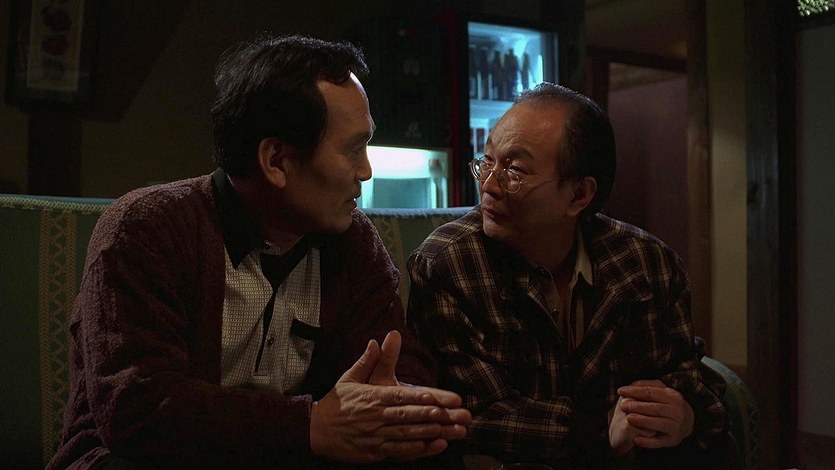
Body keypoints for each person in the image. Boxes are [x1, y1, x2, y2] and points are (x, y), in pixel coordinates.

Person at [47, 35, 470, 469]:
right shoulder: (149, 228)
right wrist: (308, 425)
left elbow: (396, 361)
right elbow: (138, 407)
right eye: (352, 149)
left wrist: (395, 402)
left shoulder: (350, 241)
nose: (365, 171)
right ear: (276, 161)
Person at [407, 83, 728, 468]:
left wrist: (684, 413)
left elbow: (690, 377)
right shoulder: (448, 264)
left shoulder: (647, 264)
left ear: (578, 196)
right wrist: (599, 430)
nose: (489, 185)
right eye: (487, 161)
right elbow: (474, 414)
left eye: (514, 170)